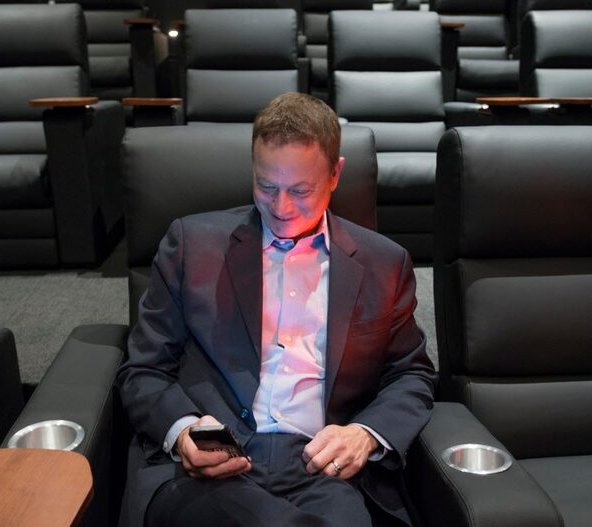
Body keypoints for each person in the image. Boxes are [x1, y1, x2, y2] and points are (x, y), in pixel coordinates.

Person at [117, 92, 437, 527]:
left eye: (300, 190)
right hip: (208, 467)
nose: (282, 208)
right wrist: (183, 430)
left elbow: (411, 374)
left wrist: (364, 434)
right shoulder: (191, 245)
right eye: (267, 186)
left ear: (335, 174)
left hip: (320, 467)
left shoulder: (383, 263)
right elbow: (144, 369)